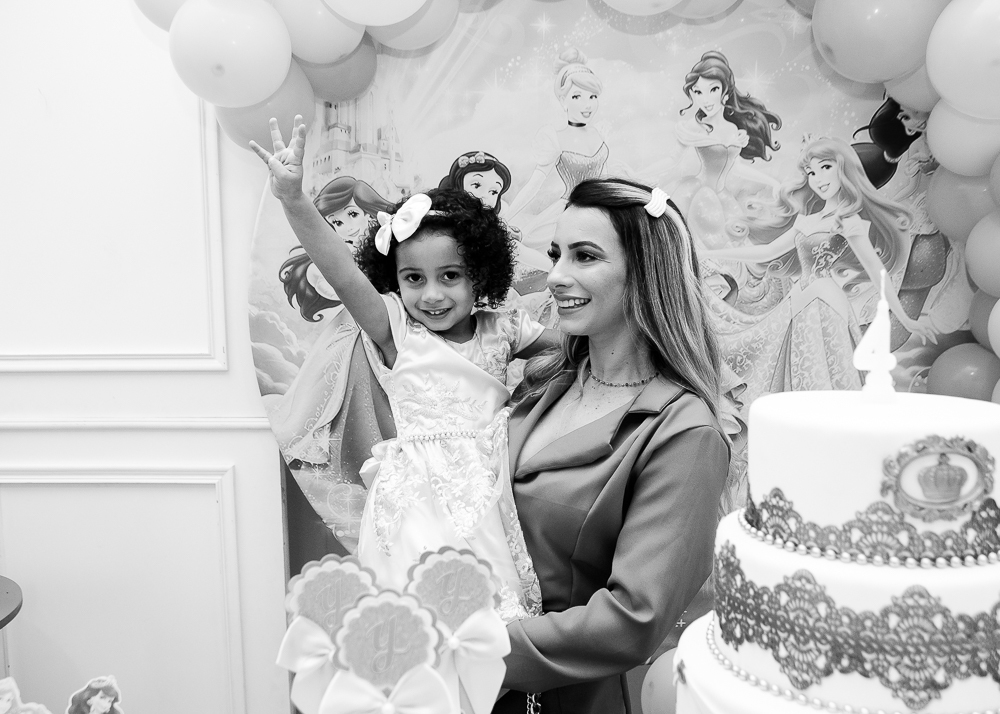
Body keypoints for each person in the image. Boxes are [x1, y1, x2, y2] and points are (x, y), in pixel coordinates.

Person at [252, 117, 559, 620]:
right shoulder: (395, 329)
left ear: (480, 274)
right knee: (420, 617)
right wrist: (294, 200)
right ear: (394, 279)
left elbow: (579, 345)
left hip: (490, 494)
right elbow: (339, 270)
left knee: (491, 621)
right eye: (414, 278)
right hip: (416, 502)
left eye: (450, 276)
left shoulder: (503, 328)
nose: (432, 294)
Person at [495, 178, 732, 714]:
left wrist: (471, 649)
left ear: (646, 271)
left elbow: (633, 620)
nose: (556, 276)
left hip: (565, 699)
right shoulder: (544, 381)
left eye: (585, 256)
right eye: (556, 254)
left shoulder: (683, 432)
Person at [702, 136, 937, 410]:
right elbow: (767, 252)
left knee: (821, 381)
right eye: (811, 172)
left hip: (825, 307)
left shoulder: (849, 221)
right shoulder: (807, 221)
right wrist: (708, 254)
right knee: (771, 359)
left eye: (825, 167)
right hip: (797, 304)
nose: (818, 178)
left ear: (843, 168)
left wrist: (905, 319)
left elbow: (877, 272)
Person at [266, 176, 397, 554]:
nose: (347, 227)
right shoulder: (335, 261)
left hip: (387, 343)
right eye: (336, 222)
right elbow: (333, 280)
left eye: (353, 215)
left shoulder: (392, 250)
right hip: (350, 342)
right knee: (340, 393)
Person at [506, 48, 611, 254]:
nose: (587, 105)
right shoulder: (554, 138)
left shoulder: (600, 134)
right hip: (568, 212)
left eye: (592, 96)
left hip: (600, 210)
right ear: (563, 100)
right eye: (577, 96)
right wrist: (505, 219)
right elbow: (534, 184)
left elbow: (605, 180)